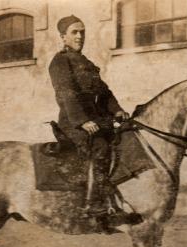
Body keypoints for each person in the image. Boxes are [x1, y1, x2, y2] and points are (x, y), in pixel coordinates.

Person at [49, 15, 130, 218]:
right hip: (73, 123)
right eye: (74, 32)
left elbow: (104, 92)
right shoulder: (60, 61)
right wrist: (82, 121)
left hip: (96, 121)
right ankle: (93, 203)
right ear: (63, 36)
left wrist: (117, 109)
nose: (79, 36)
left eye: (82, 32)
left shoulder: (86, 63)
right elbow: (66, 93)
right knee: (100, 147)